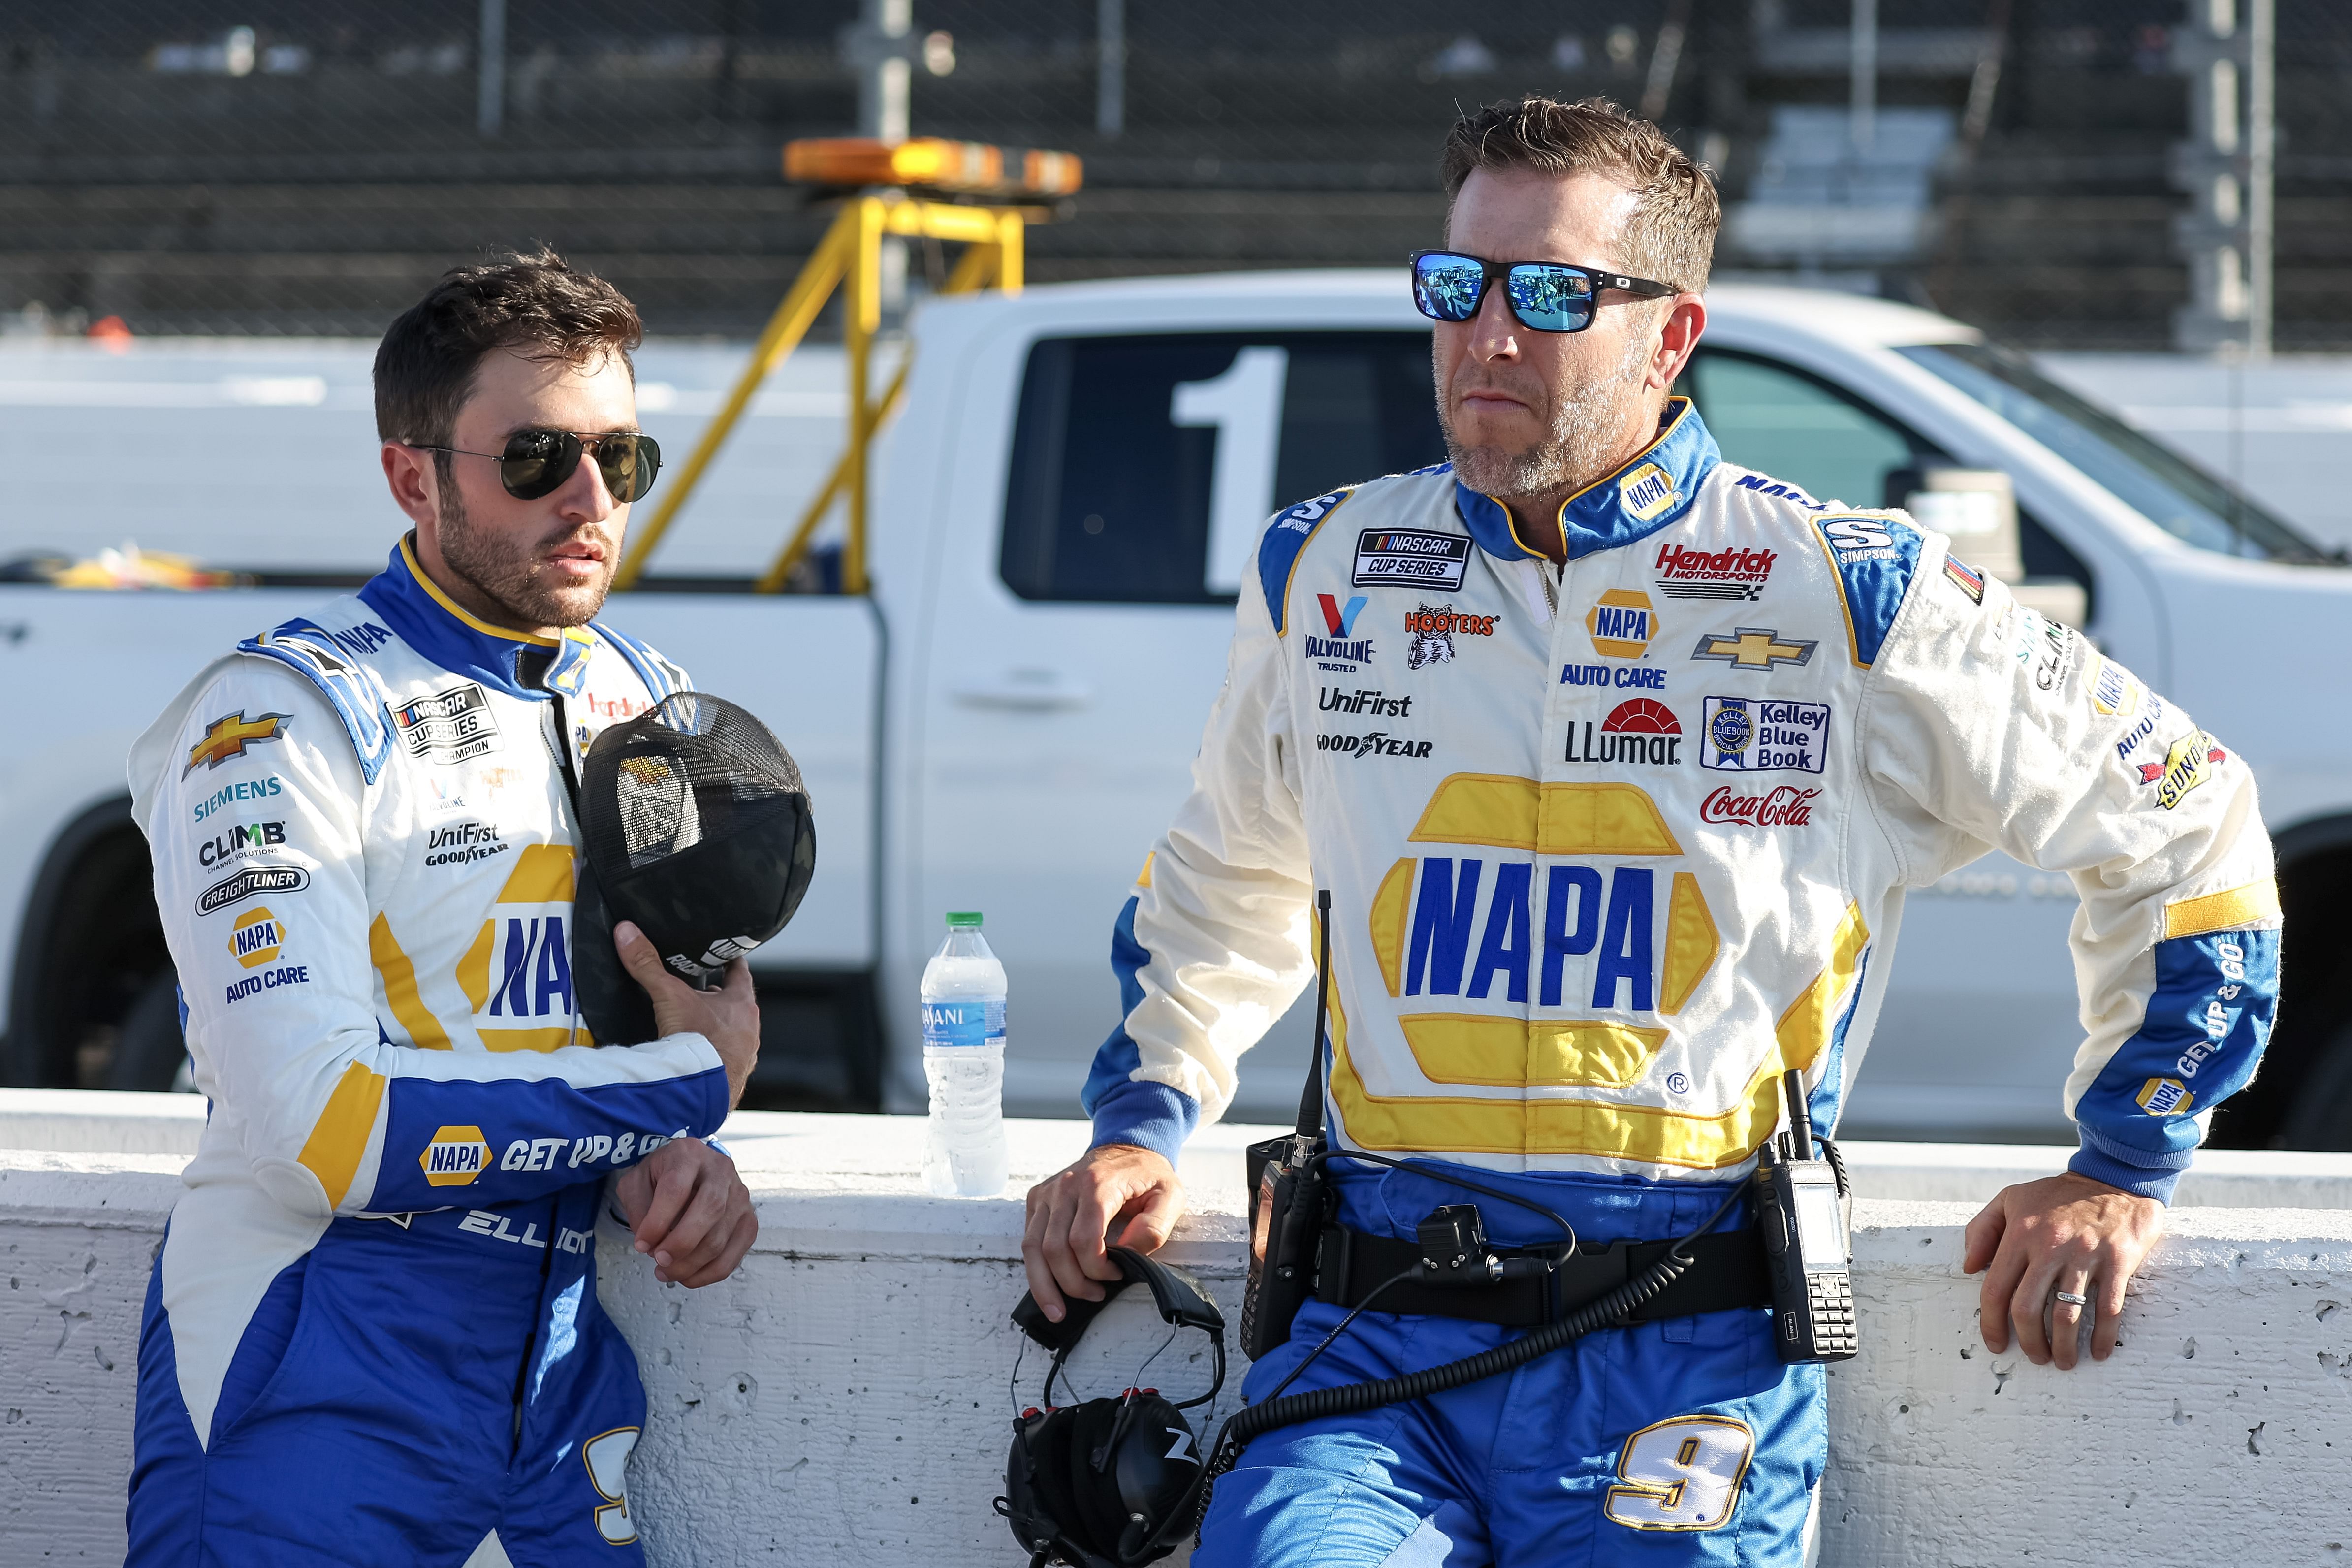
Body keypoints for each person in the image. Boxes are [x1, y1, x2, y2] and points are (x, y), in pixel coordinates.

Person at [1023, 97, 2278, 1565]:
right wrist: (1142, 1120)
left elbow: (2193, 819)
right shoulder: (1330, 564)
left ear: (1670, 337)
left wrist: (2121, 1160)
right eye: (1458, 286)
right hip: (1371, 1340)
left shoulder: (1847, 590)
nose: (1487, 336)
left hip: (1687, 1350)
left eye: (1551, 295)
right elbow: (1220, 875)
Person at [124, 250, 764, 1567]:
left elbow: (647, 1037)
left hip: (561, 1362)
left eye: (621, 458)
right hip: (315, 1347)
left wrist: (677, 1162)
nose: (589, 497)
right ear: (412, 475)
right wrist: (682, 1089)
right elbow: (328, 1132)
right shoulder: (278, 718)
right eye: (535, 456)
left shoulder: (645, 698)